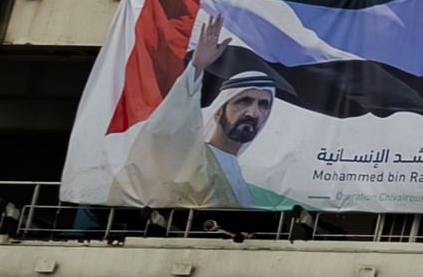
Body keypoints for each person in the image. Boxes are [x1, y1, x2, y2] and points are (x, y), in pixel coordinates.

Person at [105, 48, 291, 210]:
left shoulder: (239, 171)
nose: (253, 113)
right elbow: (168, 129)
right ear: (218, 111)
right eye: (244, 101)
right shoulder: (192, 155)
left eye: (264, 105)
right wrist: (196, 68)